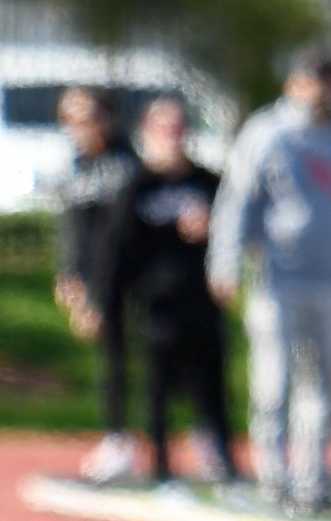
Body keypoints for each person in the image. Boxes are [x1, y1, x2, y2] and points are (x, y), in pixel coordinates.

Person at [206, 46, 331, 516]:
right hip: (277, 280)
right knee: (273, 384)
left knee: (321, 388)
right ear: (294, 83)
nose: (319, 91)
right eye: (311, 79)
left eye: (327, 80)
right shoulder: (268, 132)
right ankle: (274, 478)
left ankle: (311, 480)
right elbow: (237, 200)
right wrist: (225, 262)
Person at [99, 94, 237, 487]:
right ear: (146, 132)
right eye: (163, 128)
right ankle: (160, 466)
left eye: (178, 128)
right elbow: (119, 249)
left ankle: (223, 459)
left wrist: (210, 232)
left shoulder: (207, 181)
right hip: (157, 303)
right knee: (157, 386)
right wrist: (109, 302)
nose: (172, 136)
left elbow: (232, 231)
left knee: (211, 384)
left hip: (202, 300)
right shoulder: (136, 186)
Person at [51, 85, 143, 484]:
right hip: (95, 281)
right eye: (69, 119)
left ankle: (194, 439)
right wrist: (69, 274)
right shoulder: (77, 166)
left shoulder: (126, 164)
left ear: (107, 117)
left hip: (132, 279)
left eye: (86, 117)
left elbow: (117, 237)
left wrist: (99, 297)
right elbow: (71, 227)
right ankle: (118, 438)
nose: (79, 127)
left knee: (160, 360)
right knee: (112, 361)